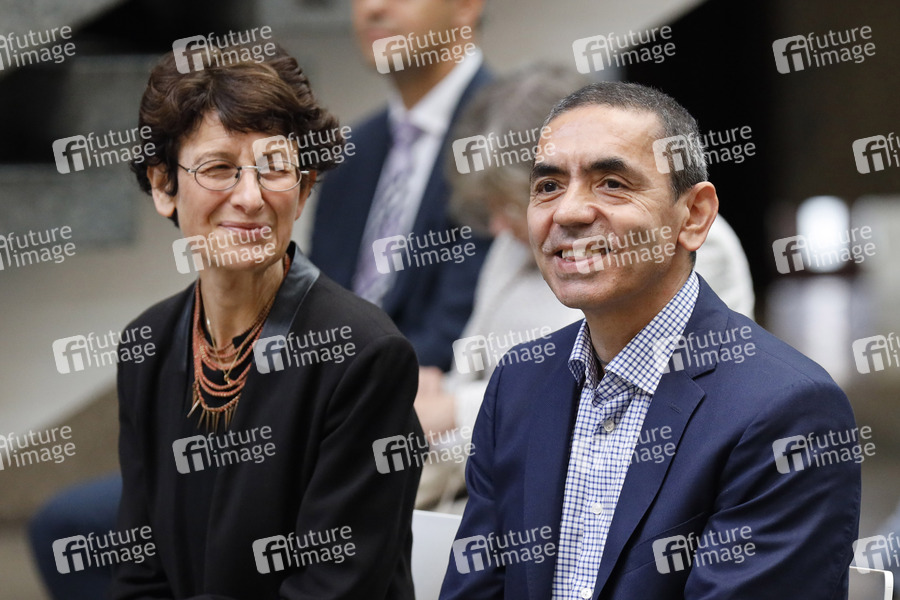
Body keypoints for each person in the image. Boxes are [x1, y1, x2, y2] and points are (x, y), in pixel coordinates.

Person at [439, 82, 860, 599]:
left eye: (612, 183)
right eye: (548, 185)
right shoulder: (519, 381)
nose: (567, 212)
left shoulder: (787, 410)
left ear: (694, 216)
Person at [102, 44, 421, 599]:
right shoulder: (147, 344)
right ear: (163, 186)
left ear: (304, 187)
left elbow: (334, 588)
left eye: (274, 168)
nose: (250, 197)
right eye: (219, 169)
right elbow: (138, 572)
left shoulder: (363, 356)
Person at [414, 67, 756, 511]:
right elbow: (475, 361)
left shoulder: (684, 242)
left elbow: (632, 398)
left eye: (508, 204)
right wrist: (436, 398)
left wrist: (454, 411)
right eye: (546, 188)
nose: (498, 226)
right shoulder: (517, 243)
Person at [310, 0, 492, 371]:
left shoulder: (513, 137)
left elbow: (458, 329)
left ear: (466, 6)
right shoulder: (349, 153)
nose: (372, 8)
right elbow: (316, 312)